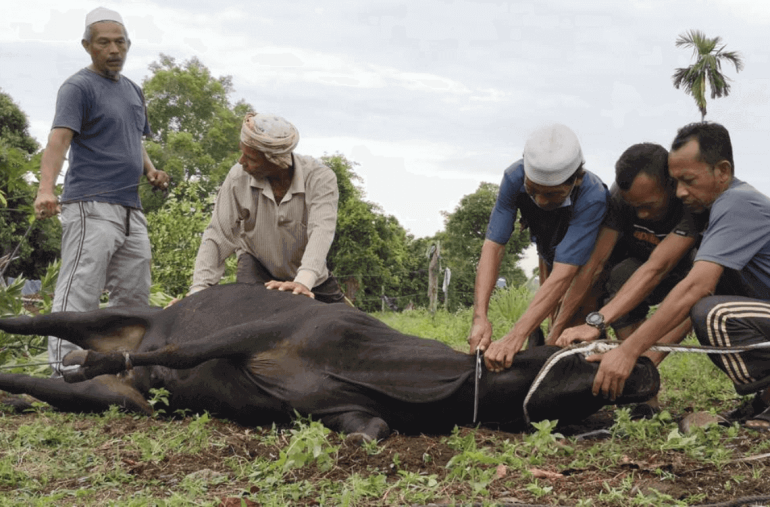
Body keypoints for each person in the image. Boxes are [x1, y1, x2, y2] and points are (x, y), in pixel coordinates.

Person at [589, 122, 770, 430]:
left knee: (713, 314)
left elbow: (694, 289)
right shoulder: (717, 213)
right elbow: (672, 286)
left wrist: (629, 351)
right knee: (711, 302)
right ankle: (764, 402)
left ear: (723, 171)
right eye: (675, 182)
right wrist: (638, 356)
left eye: (688, 180)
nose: (681, 192)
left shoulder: (737, 202)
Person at [34, 7, 169, 377]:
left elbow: (133, 140)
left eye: (120, 42)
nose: (114, 49)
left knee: (134, 296)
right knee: (80, 292)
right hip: (89, 205)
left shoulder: (133, 91)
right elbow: (58, 141)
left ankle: (117, 371)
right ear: (87, 46)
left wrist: (151, 169)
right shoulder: (78, 87)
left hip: (131, 209)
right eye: (104, 42)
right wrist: (46, 189)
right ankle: (64, 373)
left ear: (129, 45)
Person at [549, 143, 707, 417]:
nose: (641, 214)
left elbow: (658, 268)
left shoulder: (689, 205)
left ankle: (643, 373)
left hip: (683, 276)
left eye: (648, 206)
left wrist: (638, 357)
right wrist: (557, 330)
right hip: (635, 271)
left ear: (670, 186)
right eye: (635, 207)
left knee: (699, 297)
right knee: (621, 276)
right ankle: (639, 395)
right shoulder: (619, 200)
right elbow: (595, 264)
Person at [469, 124, 609, 372]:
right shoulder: (513, 177)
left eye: (553, 195)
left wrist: (515, 336)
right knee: (551, 323)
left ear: (575, 180)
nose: (541, 201)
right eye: (533, 191)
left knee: (571, 330)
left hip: (587, 263)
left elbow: (567, 273)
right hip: (548, 251)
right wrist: (480, 316)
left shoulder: (592, 196)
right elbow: (493, 247)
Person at [185, 112, 345, 303]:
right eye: (241, 152)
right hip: (256, 268)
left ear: (275, 161)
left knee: (346, 323)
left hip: (310, 276)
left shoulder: (320, 178)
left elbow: (322, 231)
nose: (241, 162)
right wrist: (199, 291)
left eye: (250, 158)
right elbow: (218, 234)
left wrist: (303, 282)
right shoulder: (238, 178)